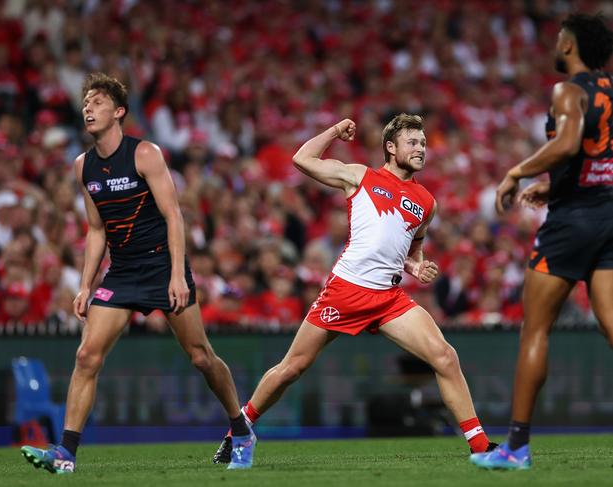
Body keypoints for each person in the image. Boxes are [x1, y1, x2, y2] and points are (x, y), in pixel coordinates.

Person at [213, 114, 496, 467]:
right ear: (391, 148)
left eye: (423, 143)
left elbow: (411, 248)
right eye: (412, 142)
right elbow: (302, 160)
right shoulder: (361, 176)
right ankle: (240, 431)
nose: (421, 149)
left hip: (389, 299)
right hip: (346, 290)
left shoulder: (426, 201)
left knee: (445, 356)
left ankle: (481, 446)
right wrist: (334, 131)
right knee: (292, 367)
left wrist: (416, 266)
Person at [20, 73, 253, 474]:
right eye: (86, 102)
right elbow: (97, 230)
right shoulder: (83, 166)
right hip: (123, 272)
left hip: (162, 266)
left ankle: (241, 430)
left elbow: (173, 215)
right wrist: (84, 285)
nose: (88, 108)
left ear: (119, 111)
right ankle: (65, 454)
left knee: (200, 356)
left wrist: (177, 274)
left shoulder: (145, 153)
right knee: (86, 355)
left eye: (97, 102)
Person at [471, 13, 613, 471]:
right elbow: (599, 157)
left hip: (573, 224)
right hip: (609, 214)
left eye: (558, 39)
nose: (555, 45)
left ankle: (516, 446)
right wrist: (553, 187)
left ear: (570, 46)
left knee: (535, 330)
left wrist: (518, 171)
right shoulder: (610, 89)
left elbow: (569, 143)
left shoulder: (567, 90)